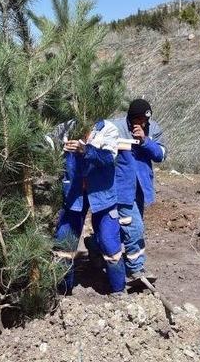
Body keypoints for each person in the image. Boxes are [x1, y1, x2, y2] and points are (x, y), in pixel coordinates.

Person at [49, 119, 126, 295]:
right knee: (64, 243)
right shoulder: (66, 126)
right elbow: (47, 142)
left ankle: (119, 292)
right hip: (74, 195)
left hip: (102, 195)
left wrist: (85, 149)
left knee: (109, 242)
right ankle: (63, 292)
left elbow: (108, 158)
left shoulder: (107, 128)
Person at [111, 99, 166, 282]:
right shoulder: (116, 127)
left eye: (145, 120)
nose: (142, 123)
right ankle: (136, 269)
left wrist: (145, 141)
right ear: (131, 117)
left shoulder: (154, 128)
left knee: (123, 227)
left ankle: (96, 246)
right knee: (135, 227)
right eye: (139, 119)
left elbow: (160, 155)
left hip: (141, 186)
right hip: (121, 186)